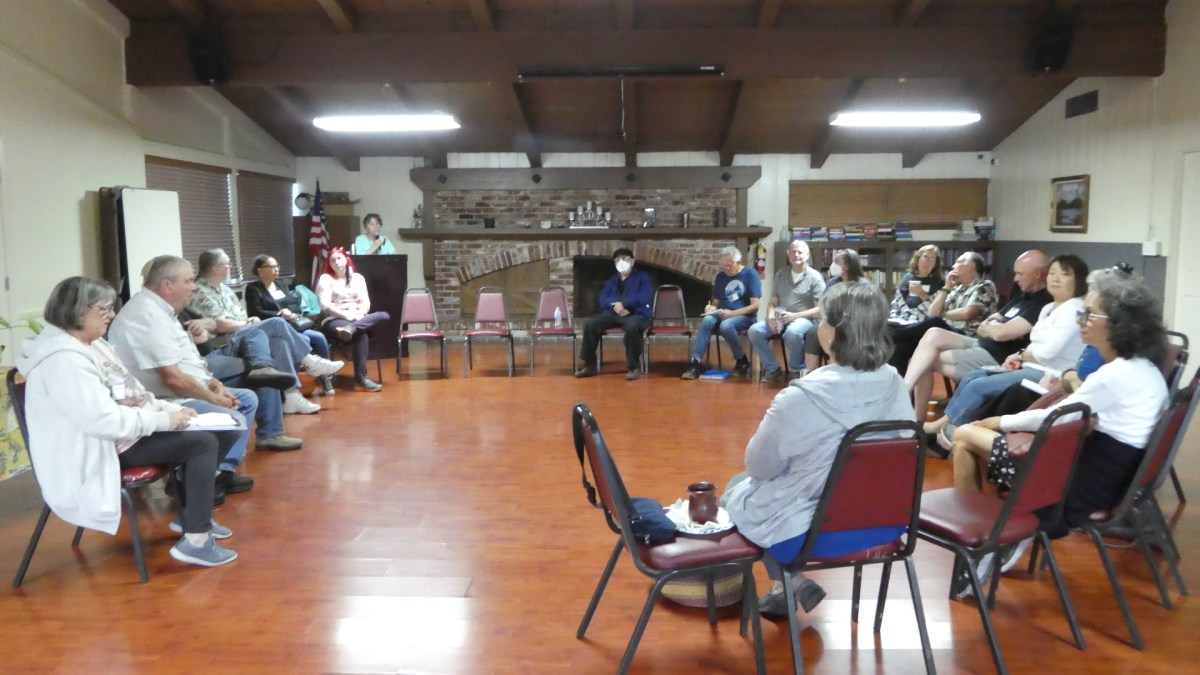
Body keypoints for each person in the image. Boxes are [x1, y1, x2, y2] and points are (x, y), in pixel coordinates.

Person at [946, 269, 1167, 596]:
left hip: (1077, 487)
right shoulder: (1144, 369)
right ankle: (998, 535)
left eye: (1089, 314)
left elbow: (1052, 419)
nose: (1081, 320)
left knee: (965, 435)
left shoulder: (1115, 375)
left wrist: (997, 422)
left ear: (1118, 324)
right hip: (1109, 477)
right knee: (972, 441)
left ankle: (985, 543)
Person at [16, 277, 240, 567]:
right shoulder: (64, 361)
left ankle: (192, 519)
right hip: (97, 448)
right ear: (78, 310)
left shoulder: (94, 345)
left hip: (123, 434)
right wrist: (165, 419)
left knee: (221, 428)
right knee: (202, 443)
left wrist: (170, 410)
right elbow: (103, 421)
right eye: (104, 308)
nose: (111, 314)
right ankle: (196, 540)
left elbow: (134, 392)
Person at [722, 283, 916, 619]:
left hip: (812, 534)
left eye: (822, 319)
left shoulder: (801, 396)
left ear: (833, 333)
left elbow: (760, 468)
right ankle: (788, 586)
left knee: (736, 491)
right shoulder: (895, 382)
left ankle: (790, 582)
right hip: (886, 523)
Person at [110, 255, 304, 456]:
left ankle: (255, 444)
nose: (193, 287)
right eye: (188, 281)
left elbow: (192, 358)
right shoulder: (148, 315)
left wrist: (215, 385)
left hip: (200, 372)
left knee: (264, 374)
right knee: (256, 371)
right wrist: (215, 399)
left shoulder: (164, 310)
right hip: (170, 396)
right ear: (167, 285)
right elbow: (174, 379)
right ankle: (224, 466)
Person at [926, 254, 1089, 453]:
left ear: (1078, 280)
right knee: (973, 376)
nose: (1055, 279)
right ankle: (948, 428)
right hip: (1030, 365)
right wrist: (1019, 355)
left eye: (1064, 274)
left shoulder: (1074, 309)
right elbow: (1035, 344)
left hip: (1049, 374)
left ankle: (947, 433)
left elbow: (1047, 353)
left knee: (978, 386)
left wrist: (1021, 356)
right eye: (1052, 273)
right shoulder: (1048, 307)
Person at [187, 249, 343, 414]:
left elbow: (241, 316)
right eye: (227, 264)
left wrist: (250, 320)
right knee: (277, 322)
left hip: (242, 334)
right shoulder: (199, 291)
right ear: (216, 268)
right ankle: (310, 361)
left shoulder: (225, 290)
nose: (230, 267)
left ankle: (291, 396)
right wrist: (245, 323)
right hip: (223, 341)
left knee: (280, 343)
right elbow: (220, 324)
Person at [905, 250, 1051, 422]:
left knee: (922, 360)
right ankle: (905, 392)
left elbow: (1001, 334)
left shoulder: (1043, 302)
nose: (1016, 278)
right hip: (980, 342)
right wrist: (994, 327)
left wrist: (995, 327)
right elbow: (985, 326)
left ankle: (916, 420)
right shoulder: (1022, 294)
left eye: (1020, 274)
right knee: (933, 333)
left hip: (997, 356)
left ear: (1038, 274)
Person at [888, 251, 997, 375]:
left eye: (959, 262)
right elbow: (932, 312)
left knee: (935, 322)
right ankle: (899, 385)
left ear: (972, 266)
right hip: (945, 334)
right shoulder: (956, 289)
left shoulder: (984, 286)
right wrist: (946, 288)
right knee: (902, 346)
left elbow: (967, 313)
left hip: (968, 336)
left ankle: (893, 334)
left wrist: (943, 314)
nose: (953, 265)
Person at [244, 254, 337, 397]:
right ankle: (294, 385)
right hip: (274, 330)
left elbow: (293, 304)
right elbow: (255, 312)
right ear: (260, 271)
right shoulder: (253, 289)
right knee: (304, 340)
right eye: (272, 267)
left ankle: (324, 377)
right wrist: (279, 314)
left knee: (319, 338)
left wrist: (291, 313)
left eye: (277, 266)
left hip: (292, 325)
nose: (276, 269)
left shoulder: (281, 285)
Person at [748, 240, 824, 383]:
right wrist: (771, 318)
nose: (796, 255)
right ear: (789, 255)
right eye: (793, 252)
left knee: (793, 332)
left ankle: (796, 371)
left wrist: (794, 316)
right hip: (780, 317)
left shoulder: (815, 277)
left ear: (807, 255)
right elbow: (773, 301)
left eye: (800, 252)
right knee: (755, 330)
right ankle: (772, 368)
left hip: (804, 319)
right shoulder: (781, 274)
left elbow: (819, 308)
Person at [681, 246, 761, 379]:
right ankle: (695, 362)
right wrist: (711, 308)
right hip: (723, 313)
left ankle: (742, 360)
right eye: (723, 266)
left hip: (745, 316)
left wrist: (733, 313)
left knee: (726, 325)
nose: (726, 269)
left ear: (738, 262)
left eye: (729, 266)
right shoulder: (721, 276)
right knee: (707, 320)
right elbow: (716, 301)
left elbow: (755, 306)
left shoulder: (750, 275)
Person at [316, 247, 390, 392]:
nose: (337, 262)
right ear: (329, 263)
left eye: (339, 258)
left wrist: (360, 314)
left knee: (383, 315)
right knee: (361, 333)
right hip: (335, 319)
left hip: (357, 317)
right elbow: (325, 305)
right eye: (332, 260)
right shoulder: (326, 279)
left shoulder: (357, 278)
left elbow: (365, 302)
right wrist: (346, 316)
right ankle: (361, 380)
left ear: (346, 259)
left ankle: (352, 328)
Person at [574, 248, 653, 381]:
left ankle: (634, 367)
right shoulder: (612, 281)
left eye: (624, 259)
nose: (621, 262)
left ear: (632, 261)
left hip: (637, 314)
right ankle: (590, 365)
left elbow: (645, 296)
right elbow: (603, 299)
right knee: (591, 325)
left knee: (632, 328)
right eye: (617, 260)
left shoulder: (642, 278)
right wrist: (615, 306)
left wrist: (625, 305)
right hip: (614, 313)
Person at [802, 249, 873, 373]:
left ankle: (838, 369)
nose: (833, 265)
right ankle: (809, 373)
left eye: (836, 262)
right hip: (831, 321)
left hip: (856, 324)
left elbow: (867, 310)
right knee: (812, 332)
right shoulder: (833, 283)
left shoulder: (863, 285)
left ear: (847, 266)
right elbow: (822, 305)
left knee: (839, 334)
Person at [888, 245, 946, 325]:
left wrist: (921, 293)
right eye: (925, 257)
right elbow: (897, 301)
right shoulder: (908, 277)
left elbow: (938, 310)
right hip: (904, 319)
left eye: (932, 258)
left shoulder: (940, 281)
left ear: (935, 264)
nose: (928, 261)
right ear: (918, 259)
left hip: (926, 321)